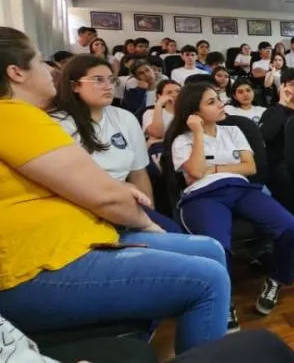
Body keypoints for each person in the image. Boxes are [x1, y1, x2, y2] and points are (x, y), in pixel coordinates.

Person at [0, 26, 230, 355]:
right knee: (209, 279)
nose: (50, 70)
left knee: (210, 249)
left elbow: (109, 184)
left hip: (77, 239)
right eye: (39, 61)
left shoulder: (27, 117)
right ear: (16, 72)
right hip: (32, 267)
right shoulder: (13, 116)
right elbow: (105, 195)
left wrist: (121, 197)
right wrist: (147, 222)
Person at [163, 83, 294, 322]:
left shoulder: (234, 131)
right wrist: (198, 133)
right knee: (218, 245)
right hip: (204, 195)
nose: (221, 104)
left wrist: (214, 168)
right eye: (212, 102)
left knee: (289, 226)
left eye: (219, 99)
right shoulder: (182, 140)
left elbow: (250, 167)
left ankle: (276, 279)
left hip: (240, 189)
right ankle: (222, 300)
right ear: (194, 113)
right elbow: (195, 171)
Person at [49, 55, 183, 232]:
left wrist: (149, 213)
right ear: (75, 86)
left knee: (175, 234)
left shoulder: (125, 118)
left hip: (125, 203)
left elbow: (138, 173)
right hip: (80, 206)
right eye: (98, 80)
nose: (108, 86)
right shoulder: (57, 124)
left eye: (111, 80)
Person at [259, 70, 294, 214]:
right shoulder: (273, 112)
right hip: (282, 172)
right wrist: (282, 104)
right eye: (293, 84)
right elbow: (265, 135)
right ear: (283, 88)